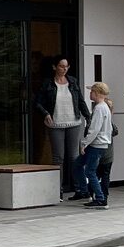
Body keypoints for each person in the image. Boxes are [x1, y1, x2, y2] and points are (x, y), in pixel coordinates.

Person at [35, 54, 89, 199]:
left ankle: (80, 189)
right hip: (55, 124)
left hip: (74, 123)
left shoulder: (73, 81)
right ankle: (57, 191)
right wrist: (46, 113)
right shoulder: (48, 83)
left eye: (67, 66)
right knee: (58, 158)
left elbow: (80, 101)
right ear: (54, 67)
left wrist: (88, 116)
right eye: (61, 66)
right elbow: (37, 102)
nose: (64, 69)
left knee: (74, 157)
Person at [76, 82, 116, 207]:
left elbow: (94, 129)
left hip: (96, 144)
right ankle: (87, 192)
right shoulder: (104, 107)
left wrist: (84, 143)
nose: (90, 93)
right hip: (99, 144)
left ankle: (100, 197)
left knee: (89, 171)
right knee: (78, 165)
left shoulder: (99, 108)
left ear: (97, 93)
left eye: (92, 91)